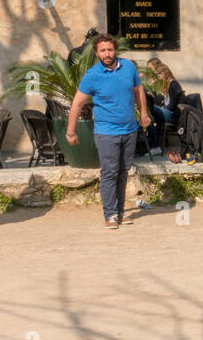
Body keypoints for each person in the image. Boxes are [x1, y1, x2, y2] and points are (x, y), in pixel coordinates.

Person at [67, 33, 151, 229]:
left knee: (123, 172)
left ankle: (120, 213)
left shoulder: (128, 67)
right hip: (106, 132)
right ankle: (110, 214)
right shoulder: (92, 76)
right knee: (110, 172)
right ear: (96, 53)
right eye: (103, 50)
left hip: (130, 129)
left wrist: (144, 114)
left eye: (110, 50)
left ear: (115, 51)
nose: (107, 53)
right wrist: (70, 132)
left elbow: (139, 91)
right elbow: (77, 104)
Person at [145, 57, 183, 157]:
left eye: (159, 75)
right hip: (168, 112)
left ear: (164, 74)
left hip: (173, 116)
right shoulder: (167, 85)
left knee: (148, 109)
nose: (157, 77)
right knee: (148, 115)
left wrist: (161, 107)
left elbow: (172, 106)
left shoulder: (174, 84)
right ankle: (155, 146)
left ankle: (155, 146)